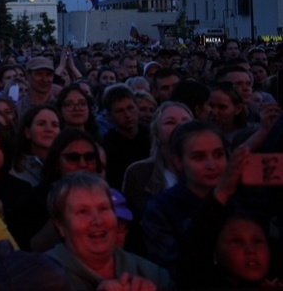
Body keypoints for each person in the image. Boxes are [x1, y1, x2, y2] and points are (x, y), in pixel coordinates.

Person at [46, 173, 174, 290]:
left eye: (103, 208)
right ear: (60, 226)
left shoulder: (152, 274)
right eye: (82, 211)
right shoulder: (39, 277)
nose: (98, 221)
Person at [140, 120, 235, 278]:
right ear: (178, 162)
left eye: (218, 154)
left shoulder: (237, 201)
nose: (212, 165)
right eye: (199, 157)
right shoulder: (161, 209)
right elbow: (173, 270)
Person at [122, 102, 193, 220]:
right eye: (170, 122)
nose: (180, 127)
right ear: (156, 133)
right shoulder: (138, 173)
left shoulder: (209, 168)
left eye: (186, 121)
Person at [11, 105, 61, 187]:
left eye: (55, 125)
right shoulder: (14, 169)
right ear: (27, 132)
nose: (49, 129)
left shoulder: (70, 164)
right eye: (41, 124)